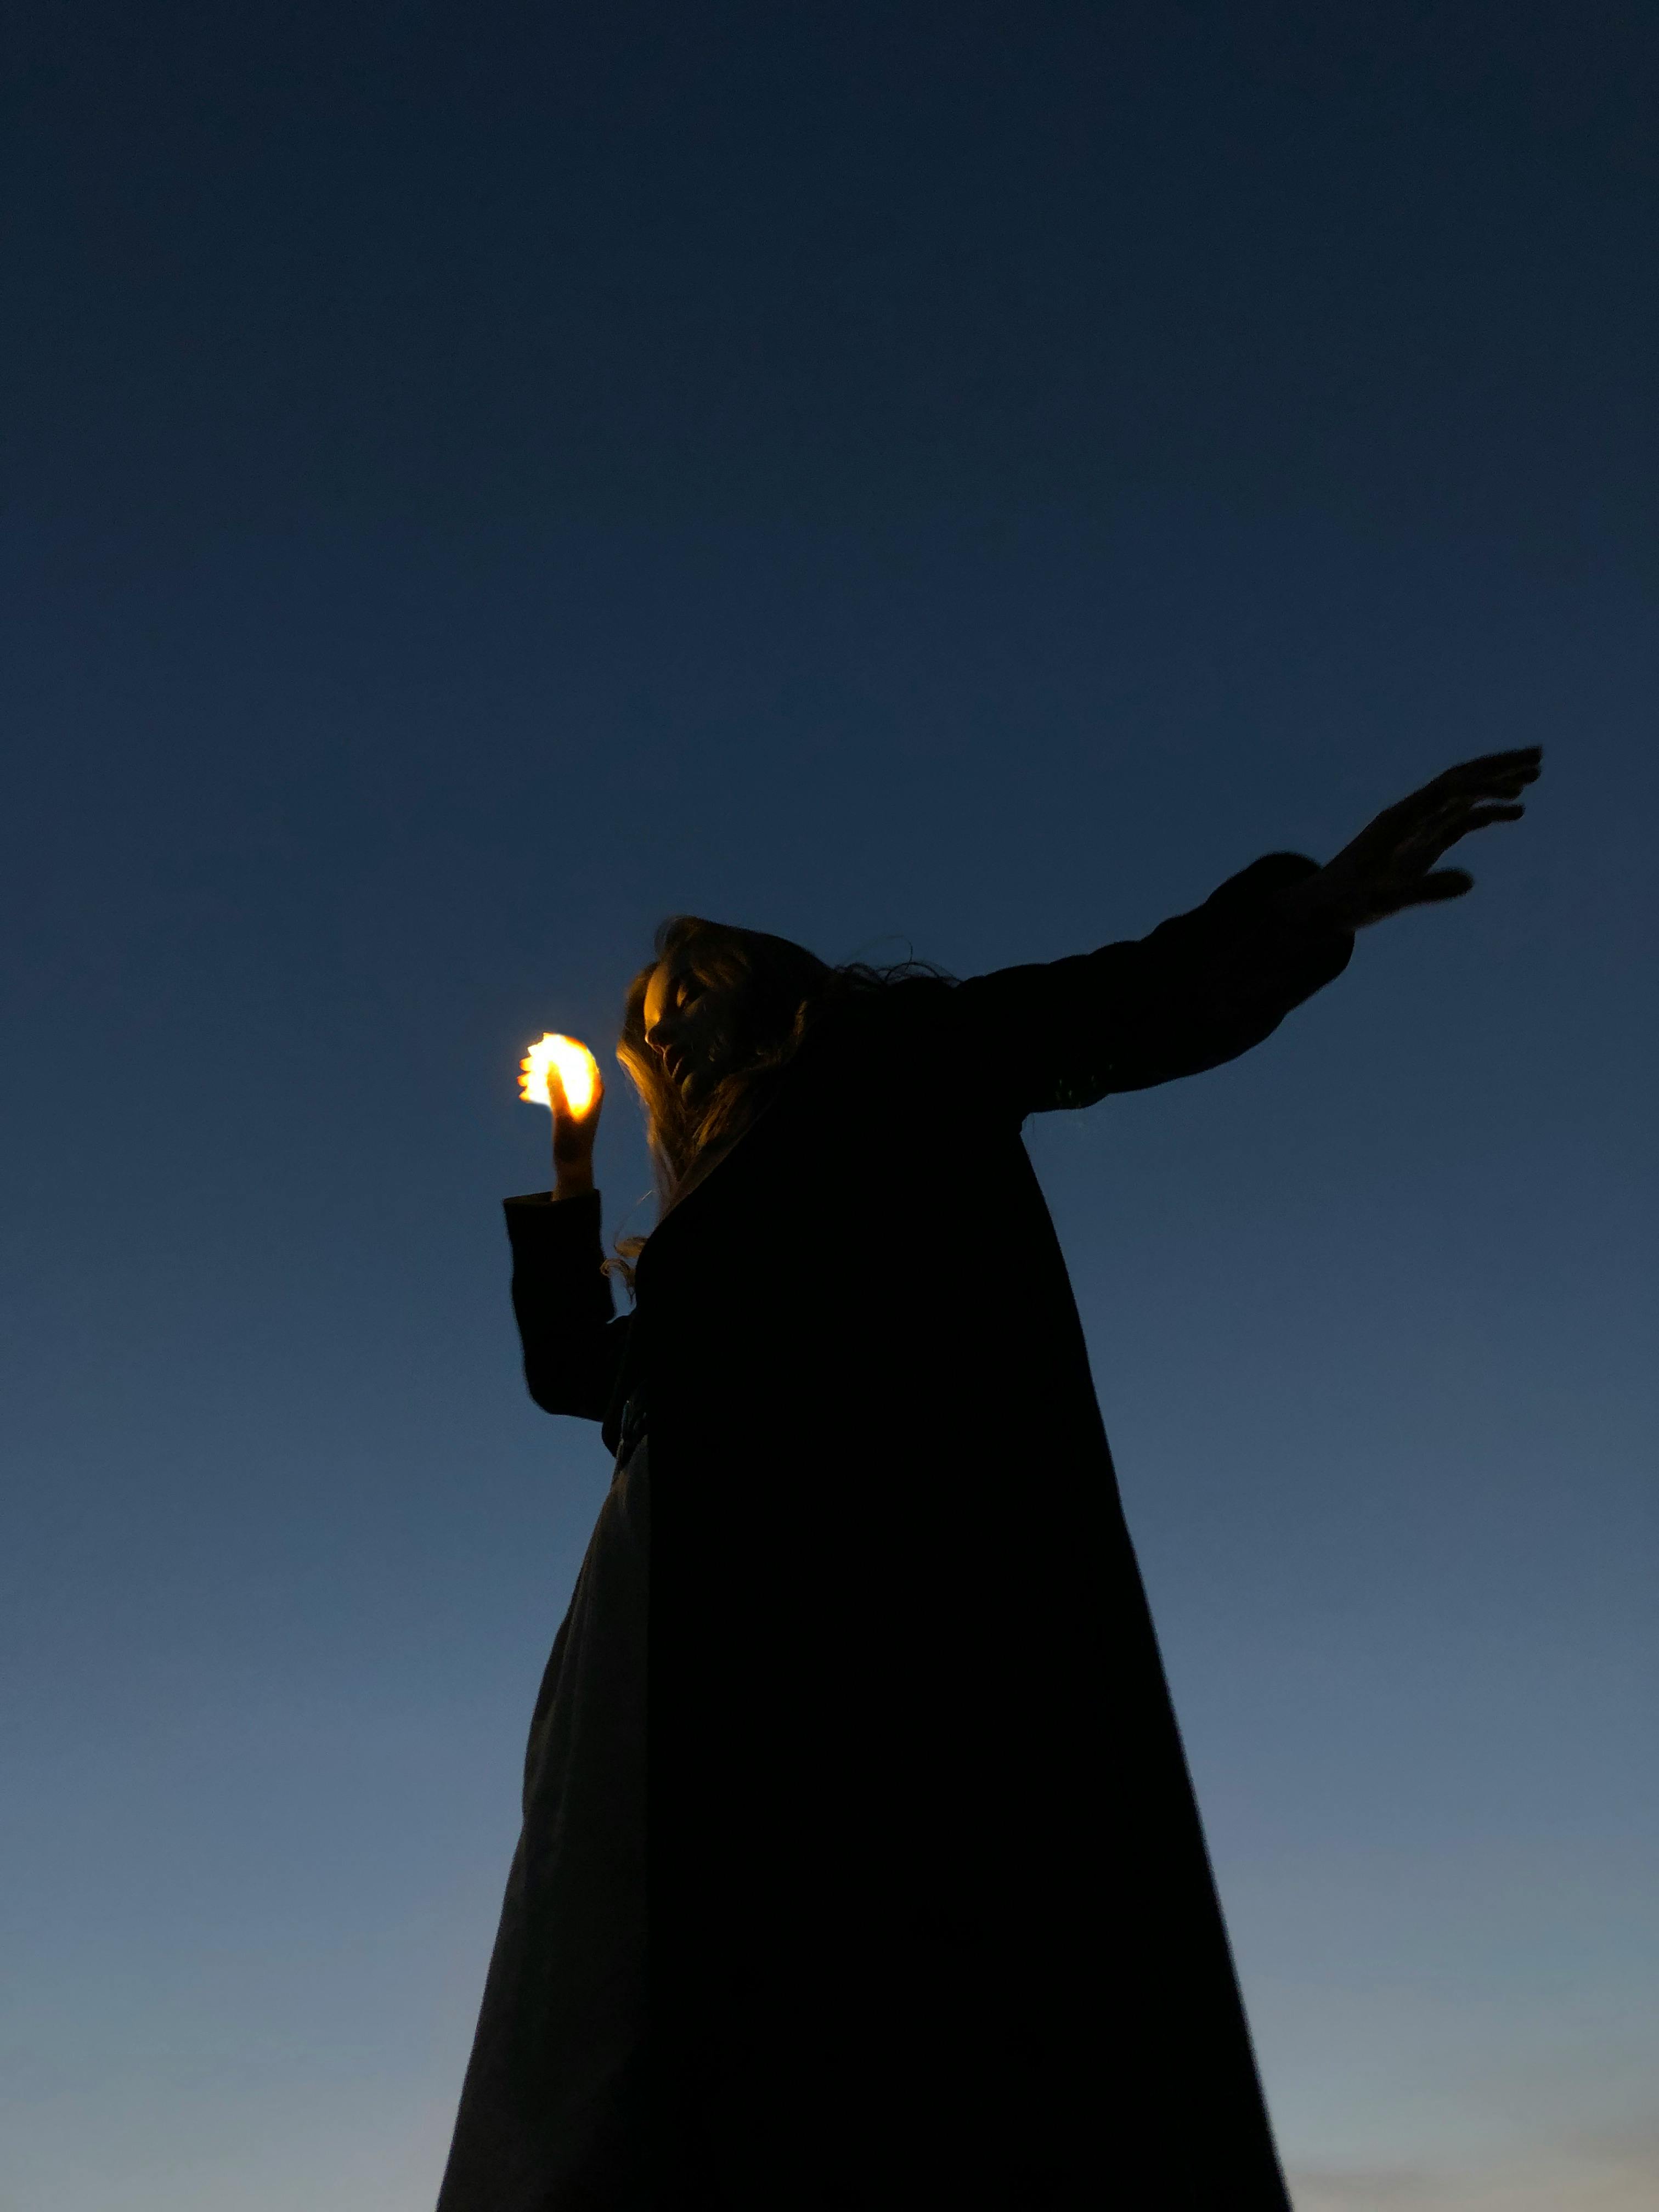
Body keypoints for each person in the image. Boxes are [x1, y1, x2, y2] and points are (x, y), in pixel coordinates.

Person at [436, 749, 1542, 2212]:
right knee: (650, 1990)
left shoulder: (885, 1064)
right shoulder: (705, 1222)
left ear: (771, 993)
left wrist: (1310, 909)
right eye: (649, 1020)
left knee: (897, 1963)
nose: (665, 1025)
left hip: (866, 1573)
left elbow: (1110, 1009)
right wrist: (571, 1175)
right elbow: (581, 1379)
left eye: (687, 991)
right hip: (670, 1612)